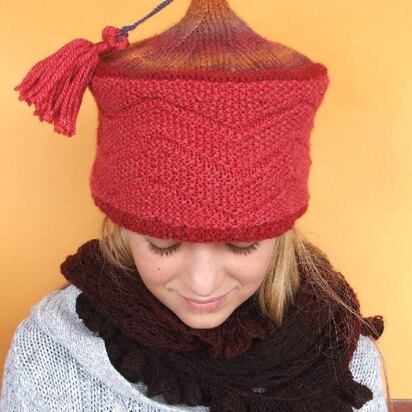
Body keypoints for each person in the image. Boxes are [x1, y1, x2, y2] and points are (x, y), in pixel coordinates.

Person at [0, 0, 391, 411]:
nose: (202, 284)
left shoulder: (343, 360)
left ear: (280, 234)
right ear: (122, 227)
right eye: (163, 244)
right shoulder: (47, 358)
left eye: (241, 245)